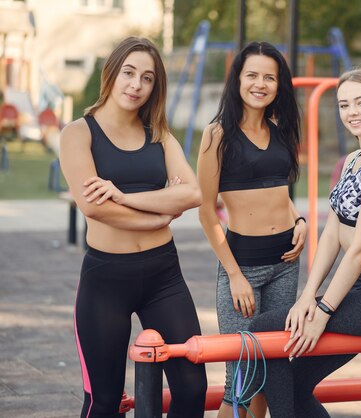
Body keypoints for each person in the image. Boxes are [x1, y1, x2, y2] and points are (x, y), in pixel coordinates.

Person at [249, 68, 361, 417]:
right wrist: (308, 295)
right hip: (355, 290)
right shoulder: (353, 160)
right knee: (291, 382)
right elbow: (332, 235)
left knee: (262, 329)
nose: (352, 111)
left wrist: (323, 312)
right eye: (344, 105)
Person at [59, 37, 207, 418]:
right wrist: (159, 214)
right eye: (129, 73)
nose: (136, 85)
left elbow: (192, 194)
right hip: (106, 279)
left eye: (147, 78)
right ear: (112, 73)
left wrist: (122, 196)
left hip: (164, 276)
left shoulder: (158, 134)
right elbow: (94, 207)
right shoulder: (79, 134)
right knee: (105, 402)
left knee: (192, 390)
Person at [196, 41, 306, 417]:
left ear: (279, 84)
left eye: (269, 77)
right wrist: (235, 277)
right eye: (252, 75)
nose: (260, 84)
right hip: (243, 265)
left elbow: (280, 193)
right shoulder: (217, 135)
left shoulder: (282, 131)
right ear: (238, 80)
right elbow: (207, 213)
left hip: (286, 264)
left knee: (268, 371)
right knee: (239, 378)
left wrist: (301, 221)